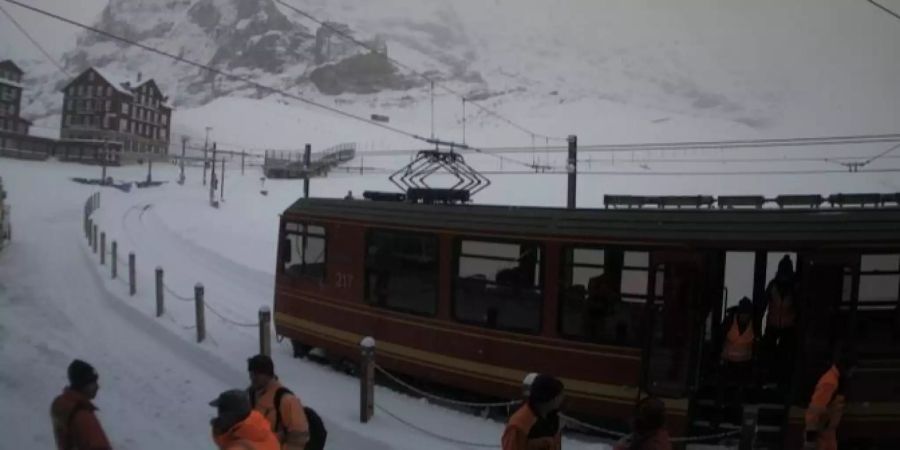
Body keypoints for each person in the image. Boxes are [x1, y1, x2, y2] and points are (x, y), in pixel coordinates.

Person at [246, 355, 311, 450]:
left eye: (257, 374)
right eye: (251, 373)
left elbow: (299, 438)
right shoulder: (250, 394)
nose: (252, 378)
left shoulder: (286, 400)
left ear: (268, 375)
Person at [50, 359, 112, 450]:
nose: (97, 386)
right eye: (92, 383)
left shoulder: (63, 404)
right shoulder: (83, 415)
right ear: (82, 384)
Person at [762, 255, 798, 387]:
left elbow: (800, 307)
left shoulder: (794, 288)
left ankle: (782, 381)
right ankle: (769, 378)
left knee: (785, 356)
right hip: (773, 326)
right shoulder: (772, 286)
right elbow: (763, 304)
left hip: (788, 328)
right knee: (769, 353)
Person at [502, 374, 564, 450]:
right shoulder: (519, 425)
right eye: (559, 396)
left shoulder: (554, 419)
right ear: (548, 398)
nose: (562, 399)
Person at [805, 357, 854, 450]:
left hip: (826, 431)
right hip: (820, 434)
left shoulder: (837, 380)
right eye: (852, 369)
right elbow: (815, 411)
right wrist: (810, 439)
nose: (851, 373)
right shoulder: (830, 383)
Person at [717, 298, 755, 417]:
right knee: (720, 388)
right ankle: (717, 415)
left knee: (740, 390)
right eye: (743, 313)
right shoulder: (729, 322)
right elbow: (719, 337)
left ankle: (735, 415)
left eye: (747, 314)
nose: (744, 317)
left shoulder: (755, 324)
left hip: (744, 364)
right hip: (727, 362)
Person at [210, 389, 280, 450]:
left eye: (221, 410)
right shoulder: (257, 426)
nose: (218, 414)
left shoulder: (239, 446)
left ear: (229, 415)